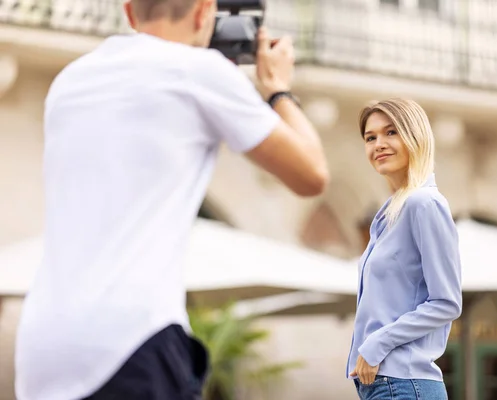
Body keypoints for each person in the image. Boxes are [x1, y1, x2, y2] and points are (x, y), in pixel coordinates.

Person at [14, 0, 330, 398]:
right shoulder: (202, 73)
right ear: (203, 12)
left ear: (129, 12)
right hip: (131, 338)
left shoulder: (71, 80)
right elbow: (312, 174)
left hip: (43, 347)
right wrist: (278, 89)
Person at [347, 98, 462, 400]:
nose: (378, 144)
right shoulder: (387, 217)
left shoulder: (424, 204)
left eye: (391, 132)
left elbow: (447, 302)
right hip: (384, 384)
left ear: (415, 136)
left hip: (403, 384)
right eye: (370, 138)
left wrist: (375, 345)